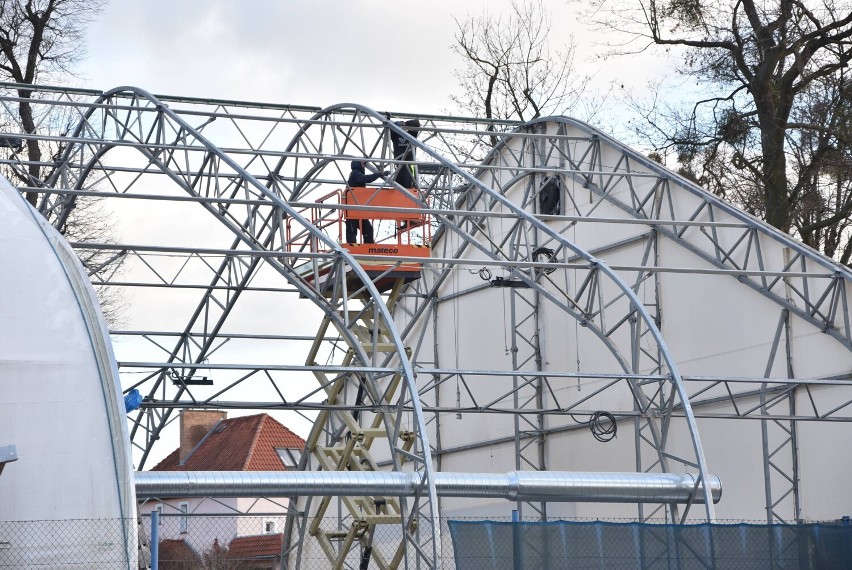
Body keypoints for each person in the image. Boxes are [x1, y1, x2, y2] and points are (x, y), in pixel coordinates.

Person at [345, 160, 387, 244]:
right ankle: (353, 249)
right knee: (353, 231)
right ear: (358, 165)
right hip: (353, 208)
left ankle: (368, 247)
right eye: (363, 164)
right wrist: (379, 174)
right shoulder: (355, 173)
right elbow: (365, 179)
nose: (364, 166)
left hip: (357, 208)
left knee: (367, 229)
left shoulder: (355, 174)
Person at [388, 118, 421, 189]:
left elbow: (416, 123)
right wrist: (394, 123)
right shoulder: (396, 136)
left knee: (407, 184)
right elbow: (389, 128)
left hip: (409, 163)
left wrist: (405, 123)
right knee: (398, 186)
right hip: (399, 164)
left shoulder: (412, 134)